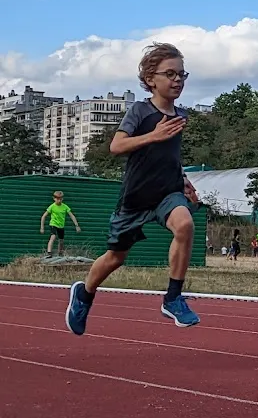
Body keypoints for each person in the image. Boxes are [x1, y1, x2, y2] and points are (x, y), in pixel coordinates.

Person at [65, 42, 200, 334]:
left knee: (185, 224)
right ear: (151, 79)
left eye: (182, 75)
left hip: (167, 191)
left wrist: (184, 180)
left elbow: (171, 155)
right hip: (136, 197)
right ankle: (84, 293)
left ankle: (173, 298)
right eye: (170, 74)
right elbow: (117, 146)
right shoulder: (140, 111)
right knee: (116, 257)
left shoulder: (181, 116)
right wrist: (153, 135)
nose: (177, 80)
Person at [40, 191, 81, 257]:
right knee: (53, 236)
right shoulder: (52, 207)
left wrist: (77, 225)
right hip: (53, 224)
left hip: (61, 226)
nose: (59, 200)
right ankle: (49, 253)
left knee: (61, 240)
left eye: (60, 199)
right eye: (57, 199)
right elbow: (43, 216)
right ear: (54, 198)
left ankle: (60, 253)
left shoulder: (65, 207)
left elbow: (72, 216)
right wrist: (42, 227)